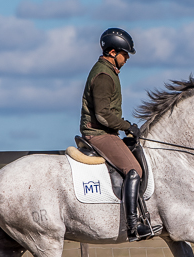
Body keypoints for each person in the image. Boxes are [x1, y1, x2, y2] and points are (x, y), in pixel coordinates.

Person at [80, 28, 159, 241]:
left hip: (106, 131)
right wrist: (127, 126)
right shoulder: (104, 75)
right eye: (125, 54)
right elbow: (103, 114)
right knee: (134, 168)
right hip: (98, 132)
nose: (127, 58)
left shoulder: (108, 71)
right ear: (113, 52)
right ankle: (133, 227)